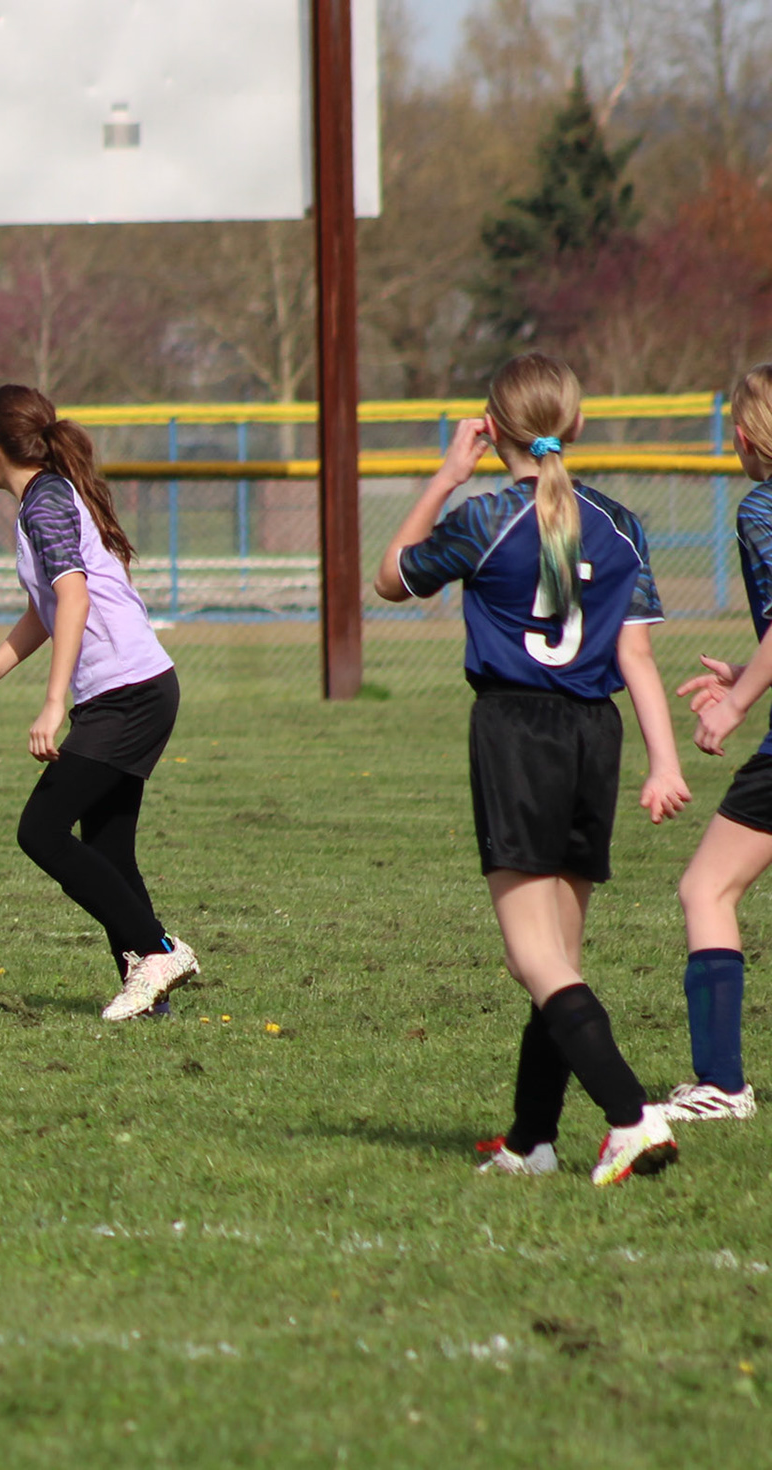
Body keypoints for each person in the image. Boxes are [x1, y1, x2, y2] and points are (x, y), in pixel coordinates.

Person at [372, 350, 689, 1186]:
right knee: (559, 961)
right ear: (574, 424)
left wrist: (447, 475)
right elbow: (637, 657)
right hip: (595, 737)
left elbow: (390, 579)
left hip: (517, 733)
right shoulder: (620, 523)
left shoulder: (485, 519)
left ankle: (632, 1117)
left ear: (494, 427)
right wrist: (663, 761)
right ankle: (531, 1140)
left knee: (534, 960)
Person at [0, 384, 193, 1022]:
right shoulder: (45, 496)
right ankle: (150, 995)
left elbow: (76, 595)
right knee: (108, 850)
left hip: (127, 692)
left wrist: (53, 703)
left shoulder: (46, 500)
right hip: (133, 689)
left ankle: (158, 950)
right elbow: (47, 609)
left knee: (41, 831)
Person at [665, 364, 772, 1123]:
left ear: (741, 436)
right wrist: (748, 669)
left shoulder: (762, 506)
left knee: (707, 889)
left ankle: (723, 1085)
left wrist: (736, 702)